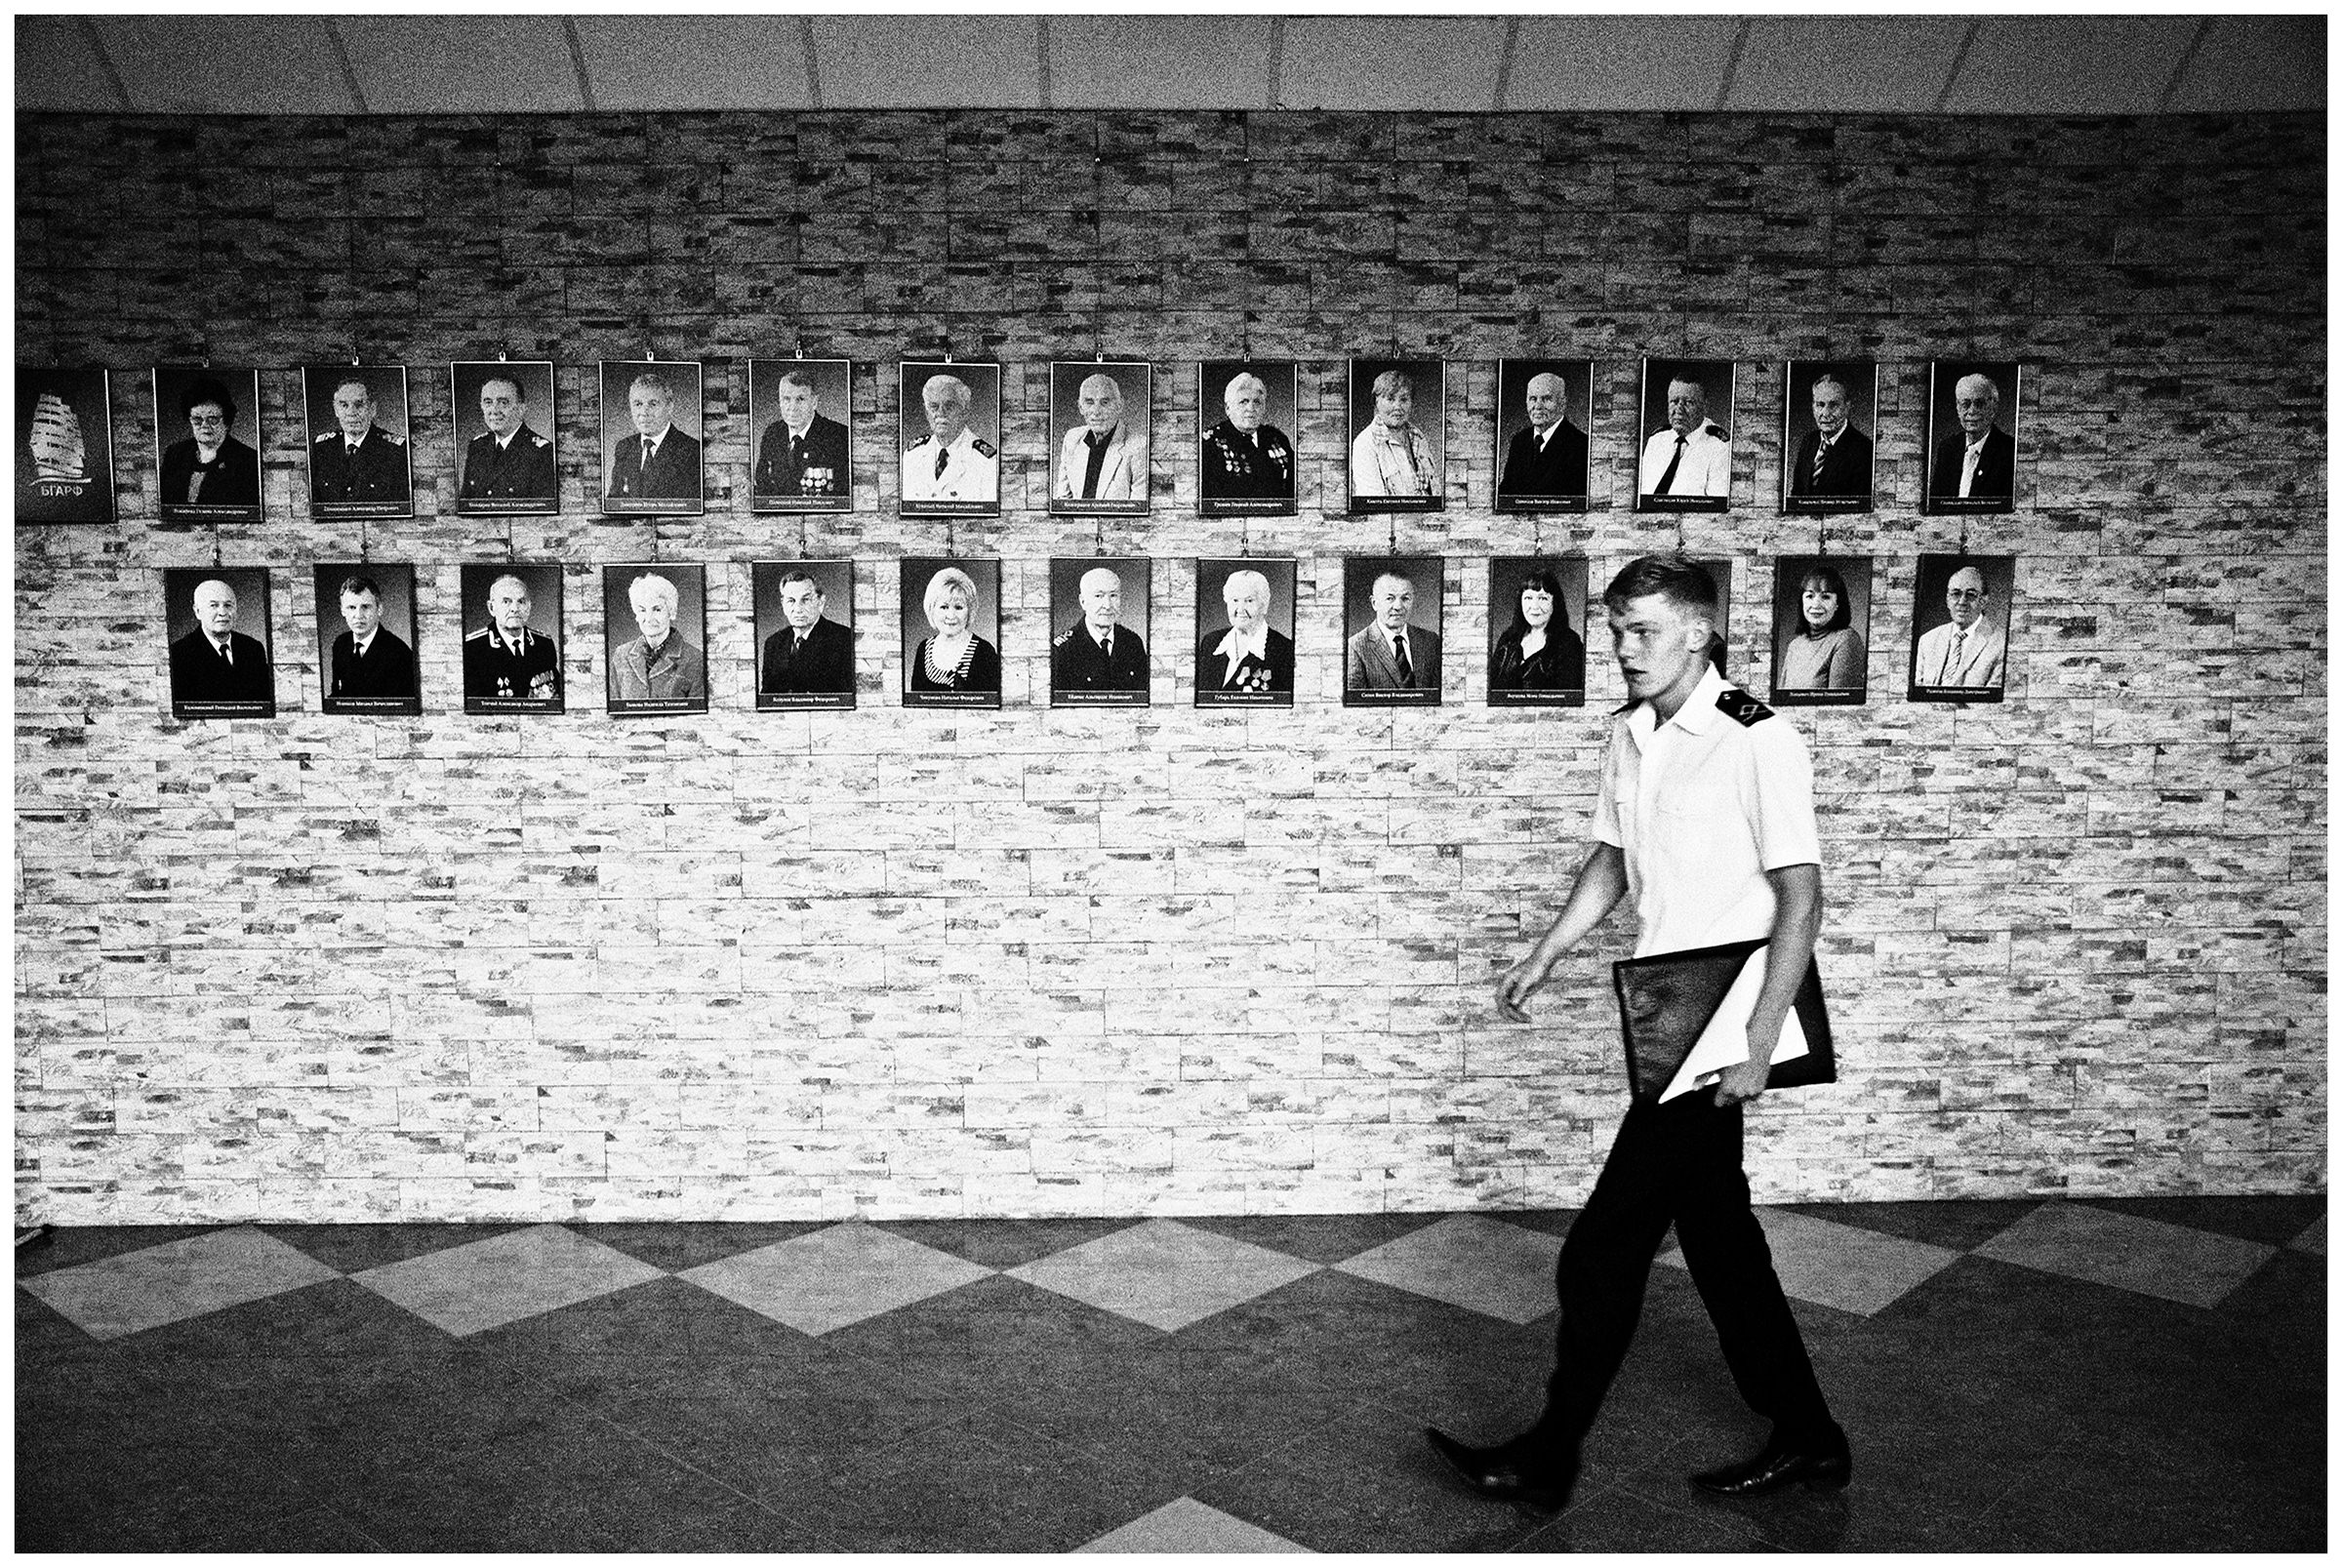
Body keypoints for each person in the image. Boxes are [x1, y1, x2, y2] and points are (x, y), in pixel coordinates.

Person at [1428, 555, 1847, 1513]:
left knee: (1600, 1249)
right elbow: (1613, 857)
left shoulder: (1757, 738)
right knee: (1722, 1244)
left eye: (1644, 630)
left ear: (1698, 632)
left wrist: (1759, 1036)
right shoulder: (1630, 732)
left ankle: (1549, 1454)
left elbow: (1802, 896)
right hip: (1665, 1008)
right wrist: (1546, 953)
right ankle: (1812, 1436)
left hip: (1722, 1020)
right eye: (1617, 630)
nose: (1623, 647)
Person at [159, 378, 261, 511]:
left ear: (227, 421)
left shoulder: (248, 460)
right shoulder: (175, 454)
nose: (204, 426)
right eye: (197, 419)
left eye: (212, 419)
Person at [168, 577, 273, 704]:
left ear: (236, 609)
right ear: (197, 611)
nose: (223, 612)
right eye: (214, 605)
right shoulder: (179, 654)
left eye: (228, 605)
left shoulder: (253, 648)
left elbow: (264, 701)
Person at [463, 572, 561, 703]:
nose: (515, 608)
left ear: (529, 607)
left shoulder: (543, 645)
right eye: (506, 602)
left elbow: (555, 697)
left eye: (521, 601)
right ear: (491, 608)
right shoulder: (473, 649)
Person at [309, 378, 409, 505]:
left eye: (359, 405)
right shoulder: (321, 448)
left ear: (372, 409)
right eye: (344, 405)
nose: (351, 412)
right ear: (336, 410)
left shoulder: (396, 450)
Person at [609, 572, 706, 702]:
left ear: (672, 612)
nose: (649, 618)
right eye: (642, 610)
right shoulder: (621, 655)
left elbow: (698, 712)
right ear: (636, 614)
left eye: (657, 609)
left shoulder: (695, 659)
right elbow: (614, 707)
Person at [753, 368, 849, 499]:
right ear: (780, 402)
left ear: (814, 402)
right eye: (786, 399)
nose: (793, 407)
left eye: (800, 399)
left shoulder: (839, 436)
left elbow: (843, 495)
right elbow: (762, 488)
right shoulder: (772, 434)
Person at [606, 371, 702, 501]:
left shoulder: (691, 451)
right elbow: (614, 501)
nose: (644, 412)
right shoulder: (624, 447)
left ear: (669, 407)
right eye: (638, 404)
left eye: (653, 404)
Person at [902, 374, 998, 503]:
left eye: (949, 406)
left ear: (965, 412)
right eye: (934, 406)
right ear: (926, 413)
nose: (941, 412)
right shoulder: (912, 456)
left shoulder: (987, 463)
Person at [460, 375, 556, 503]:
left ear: (521, 409)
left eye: (503, 402)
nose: (494, 410)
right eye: (488, 402)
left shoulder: (541, 453)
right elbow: (466, 504)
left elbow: (542, 508)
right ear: (481, 406)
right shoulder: (477, 447)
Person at [1052, 566, 1150, 694]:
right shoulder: (1063, 651)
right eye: (1098, 596)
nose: (1108, 605)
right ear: (1083, 602)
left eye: (1113, 595)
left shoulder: (1132, 643)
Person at [1196, 568, 1292, 694]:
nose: (1240, 609)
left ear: (1264, 605)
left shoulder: (1285, 651)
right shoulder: (1211, 642)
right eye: (1235, 600)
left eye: (1249, 601)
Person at [1053, 373, 1146, 503]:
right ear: (1080, 407)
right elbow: (1063, 500)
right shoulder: (1072, 439)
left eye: (1105, 402)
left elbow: (1138, 508)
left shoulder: (1139, 447)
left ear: (1119, 406)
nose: (1096, 411)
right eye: (1089, 402)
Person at [1489, 567, 1586, 692]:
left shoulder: (1569, 644)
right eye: (1528, 598)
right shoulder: (1508, 638)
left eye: (1543, 598)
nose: (1534, 606)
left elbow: (1569, 697)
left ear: (1555, 603)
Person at [1201, 373, 1295, 501]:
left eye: (1257, 402)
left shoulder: (1277, 439)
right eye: (1243, 402)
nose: (1251, 408)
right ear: (1228, 409)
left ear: (1264, 407)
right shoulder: (1210, 444)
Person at [908, 565, 999, 693]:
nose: (951, 616)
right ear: (932, 609)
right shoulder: (923, 649)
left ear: (970, 610)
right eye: (944, 607)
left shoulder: (984, 652)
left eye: (958, 607)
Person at [760, 571, 855, 695]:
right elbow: (767, 698)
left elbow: (845, 698)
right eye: (791, 601)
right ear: (783, 605)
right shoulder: (773, 644)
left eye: (805, 600)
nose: (798, 609)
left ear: (820, 602)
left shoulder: (843, 640)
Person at [326, 572, 417, 701]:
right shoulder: (340, 645)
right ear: (342, 611)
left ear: (379, 609)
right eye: (351, 607)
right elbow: (337, 697)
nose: (358, 615)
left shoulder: (399, 654)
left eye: (365, 607)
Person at [1637, 376, 1730, 501]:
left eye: (1688, 402)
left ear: (1705, 407)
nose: (1679, 410)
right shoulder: (1656, 441)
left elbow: (1717, 506)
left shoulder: (1720, 447)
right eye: (1674, 401)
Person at [1347, 570, 1442, 691]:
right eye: (1390, 598)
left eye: (1405, 598)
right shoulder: (1356, 647)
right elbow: (1355, 700)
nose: (1398, 606)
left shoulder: (1430, 641)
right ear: (1374, 603)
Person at [1913, 565, 2005, 689]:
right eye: (1956, 594)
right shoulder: (1928, 641)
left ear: (1983, 600)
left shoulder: (2001, 645)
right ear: (1947, 600)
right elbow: (1917, 690)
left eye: (1971, 595)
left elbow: (1991, 697)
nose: (1962, 602)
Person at [1498, 371, 1589, 499]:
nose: (1538, 406)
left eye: (1546, 399)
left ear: (1562, 403)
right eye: (1533, 399)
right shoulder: (1519, 441)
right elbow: (1506, 492)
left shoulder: (1580, 445)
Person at [1926, 373, 2014, 503]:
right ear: (1957, 407)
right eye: (1965, 404)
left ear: (1994, 407)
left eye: (1979, 404)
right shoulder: (1947, 449)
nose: (1972, 411)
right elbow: (1936, 503)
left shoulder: (2009, 452)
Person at [1776, 563, 1865, 690]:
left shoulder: (1846, 640)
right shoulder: (1794, 646)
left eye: (1825, 597)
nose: (1816, 604)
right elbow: (1781, 696)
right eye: (1809, 596)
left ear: (1837, 604)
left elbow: (1840, 701)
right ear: (1802, 601)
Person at [1351, 369, 1434, 498]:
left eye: (1404, 399)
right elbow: (1373, 502)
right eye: (1390, 399)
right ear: (1376, 403)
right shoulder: (1365, 444)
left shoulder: (1418, 437)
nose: (1398, 406)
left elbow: (1434, 490)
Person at [1787, 374, 1872, 501]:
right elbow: (1796, 496)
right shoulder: (1808, 441)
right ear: (1813, 406)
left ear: (1847, 407)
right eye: (1820, 404)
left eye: (1833, 405)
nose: (1825, 413)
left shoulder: (1864, 450)